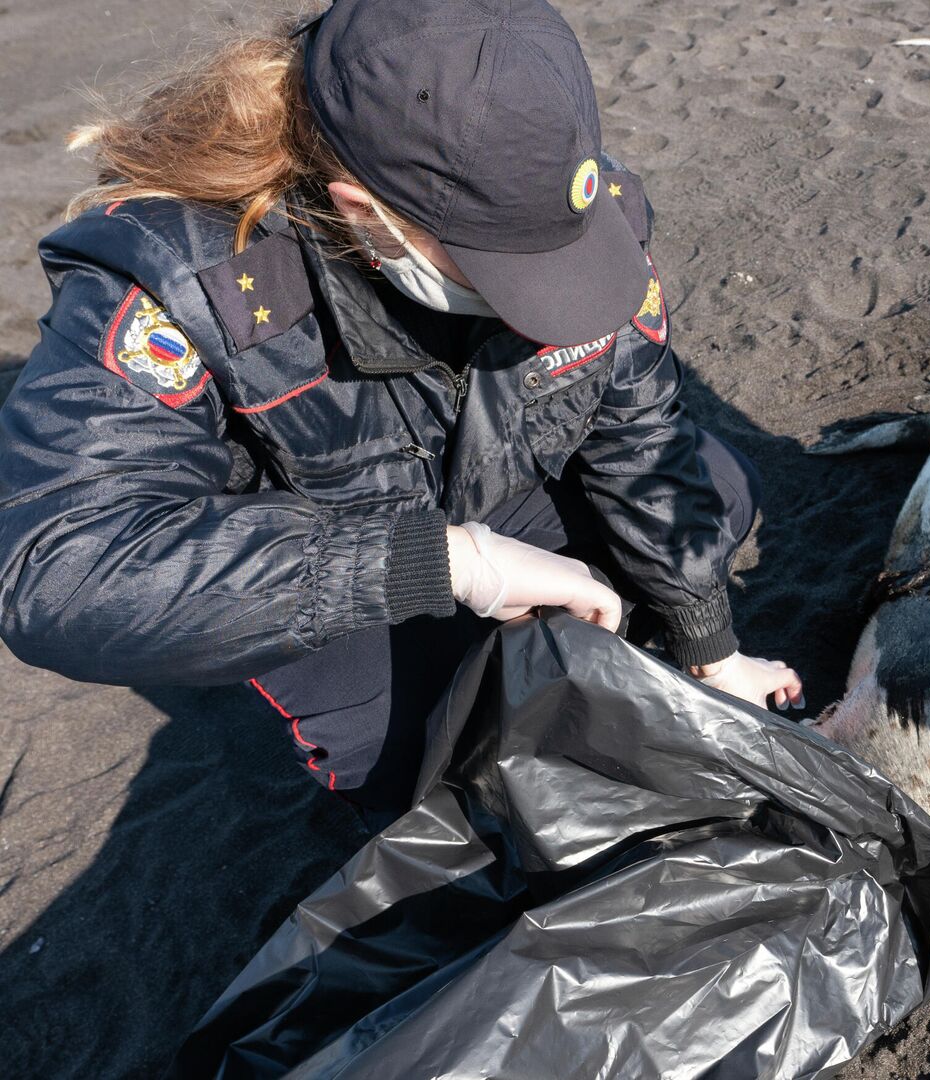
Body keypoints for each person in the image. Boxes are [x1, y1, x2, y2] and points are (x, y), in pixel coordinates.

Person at [0, 0, 804, 821]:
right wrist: (446, 563)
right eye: (499, 269)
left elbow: (638, 427)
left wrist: (711, 648)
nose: (541, 304)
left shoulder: (572, 198)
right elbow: (57, 571)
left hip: (495, 493)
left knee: (712, 485)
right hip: (336, 563)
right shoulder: (181, 282)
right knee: (402, 757)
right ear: (364, 213)